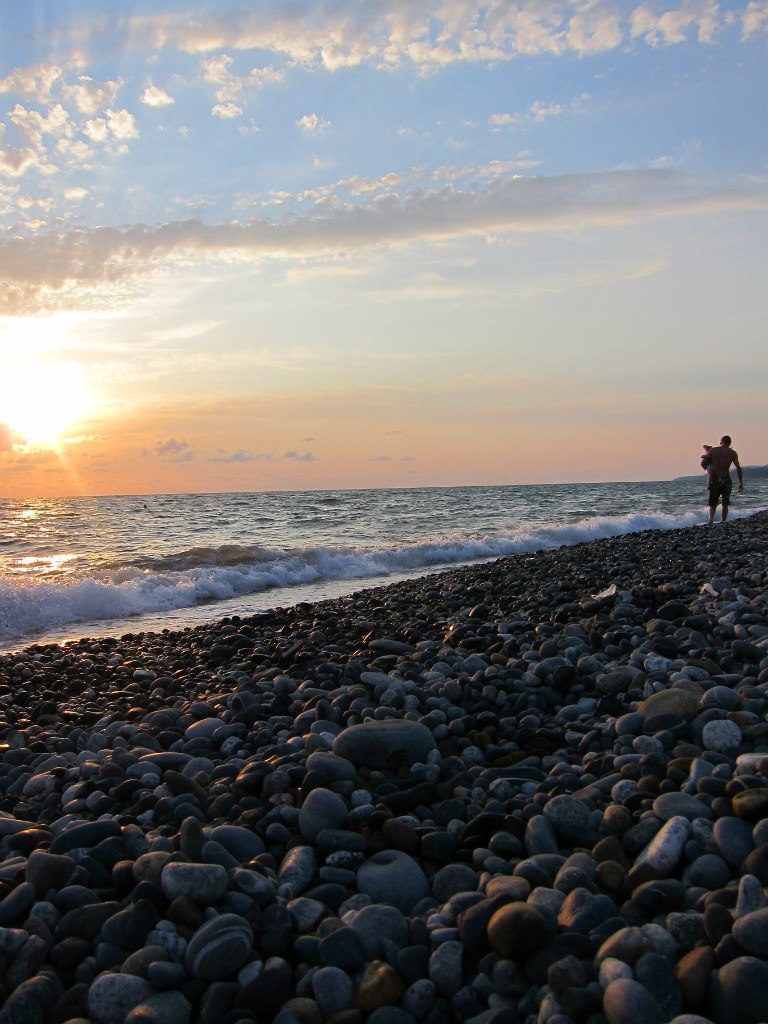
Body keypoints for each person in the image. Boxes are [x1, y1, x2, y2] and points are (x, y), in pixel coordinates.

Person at [705, 435, 744, 525]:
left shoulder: (713, 450)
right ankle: (723, 521)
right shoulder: (732, 453)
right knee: (725, 502)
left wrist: (708, 472)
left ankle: (711, 520)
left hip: (715, 478)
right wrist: (741, 482)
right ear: (730, 443)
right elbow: (738, 468)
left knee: (713, 502)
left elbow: (704, 462)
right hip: (726, 478)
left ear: (721, 442)